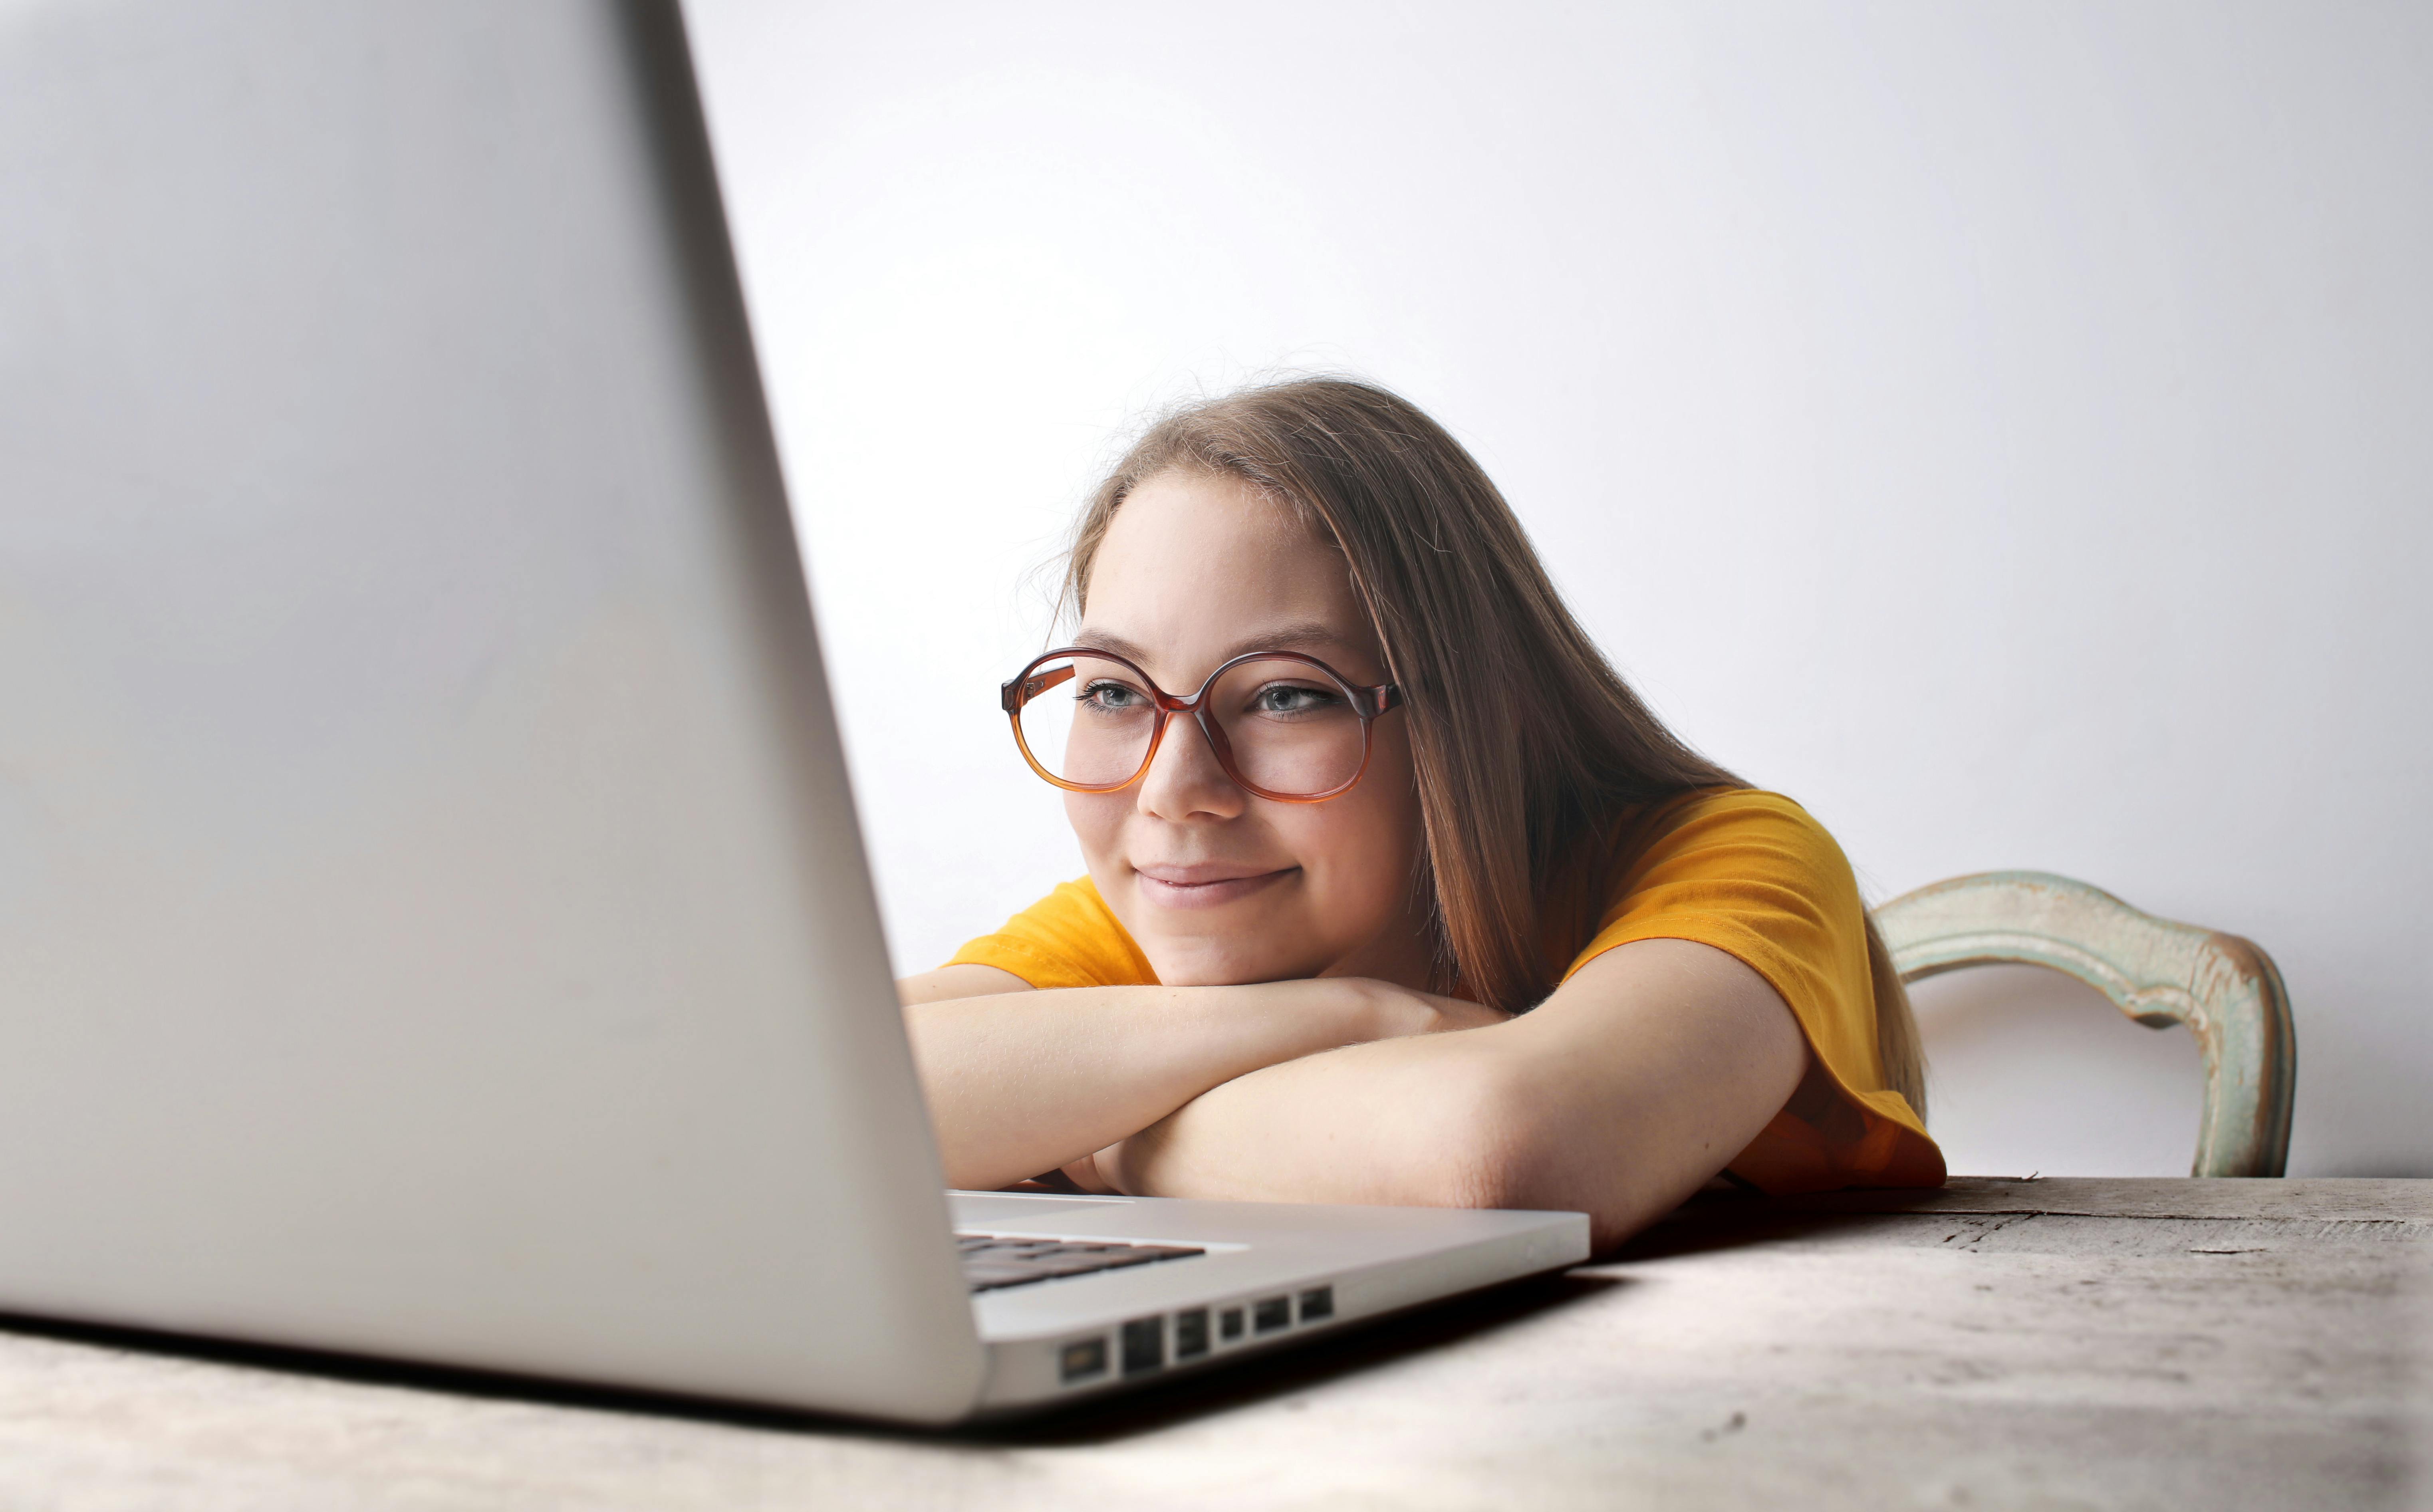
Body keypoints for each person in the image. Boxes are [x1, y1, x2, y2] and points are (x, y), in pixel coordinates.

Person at [897, 378, 1942, 1250]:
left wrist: (1094, 1135)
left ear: (1466, 714)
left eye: (1284, 693)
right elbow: (786, 1086)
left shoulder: (1726, 857)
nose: (1172, 790)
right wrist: (1350, 1014)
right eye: (1114, 690)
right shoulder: (1178, 913)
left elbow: (1497, 1152)